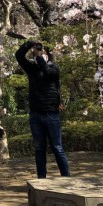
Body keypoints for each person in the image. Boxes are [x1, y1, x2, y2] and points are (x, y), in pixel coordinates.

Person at [15, 39, 70, 178]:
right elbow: (18, 56)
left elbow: (48, 72)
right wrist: (30, 44)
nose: (38, 53)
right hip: (35, 115)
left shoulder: (54, 68)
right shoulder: (32, 69)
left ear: (47, 54)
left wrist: (39, 56)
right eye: (37, 52)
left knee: (57, 148)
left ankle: (66, 178)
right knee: (39, 149)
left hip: (51, 114)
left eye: (42, 51)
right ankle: (41, 180)